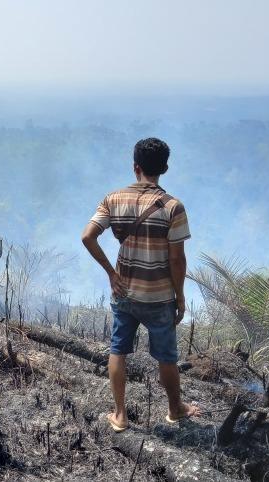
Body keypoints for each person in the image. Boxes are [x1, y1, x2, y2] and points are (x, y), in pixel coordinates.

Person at [81, 137, 201, 432]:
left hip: (124, 292)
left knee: (118, 350)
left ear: (135, 167)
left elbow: (87, 236)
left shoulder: (113, 199)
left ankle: (120, 415)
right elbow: (177, 260)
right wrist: (180, 296)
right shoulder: (174, 207)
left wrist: (111, 273)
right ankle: (175, 409)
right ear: (165, 168)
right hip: (159, 296)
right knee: (167, 356)